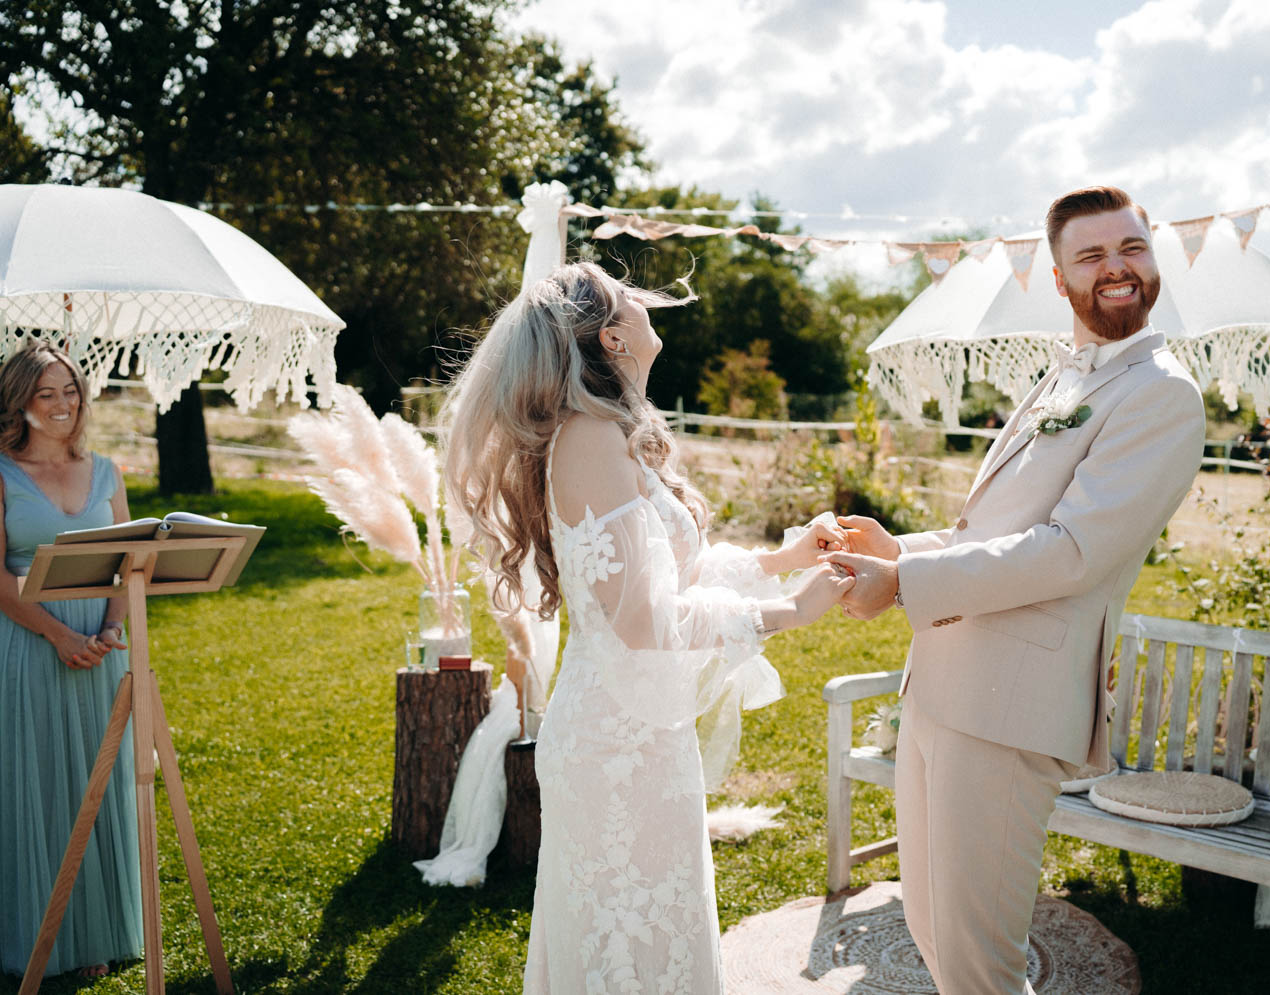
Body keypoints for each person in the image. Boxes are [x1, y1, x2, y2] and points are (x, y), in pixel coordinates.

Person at [826, 186, 1206, 994]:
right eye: (1092, 254)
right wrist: (902, 549)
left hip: (1010, 706)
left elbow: (1071, 551)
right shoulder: (1060, 378)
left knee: (981, 963)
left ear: (1153, 261)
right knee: (933, 931)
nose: (1117, 267)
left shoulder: (1162, 393)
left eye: (1132, 248)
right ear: (1060, 279)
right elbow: (995, 528)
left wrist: (904, 583)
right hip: (940, 685)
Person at [443, 262, 853, 994]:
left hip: (641, 734)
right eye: (627, 297)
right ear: (612, 337)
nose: (642, 299)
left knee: (657, 939)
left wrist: (783, 559)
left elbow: (666, 581)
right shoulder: (592, 437)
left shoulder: (608, 431)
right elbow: (641, 619)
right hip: (613, 748)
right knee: (627, 950)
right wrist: (790, 611)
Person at [0, 340, 141, 980]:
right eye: (45, 393)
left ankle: (94, 936)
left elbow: (129, 562)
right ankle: (34, 939)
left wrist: (112, 628)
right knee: (34, 781)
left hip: (99, 647)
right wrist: (58, 636)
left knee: (97, 781)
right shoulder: (2, 472)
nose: (62, 405)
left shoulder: (106, 470)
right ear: (19, 402)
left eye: (71, 391)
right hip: (28, 639)